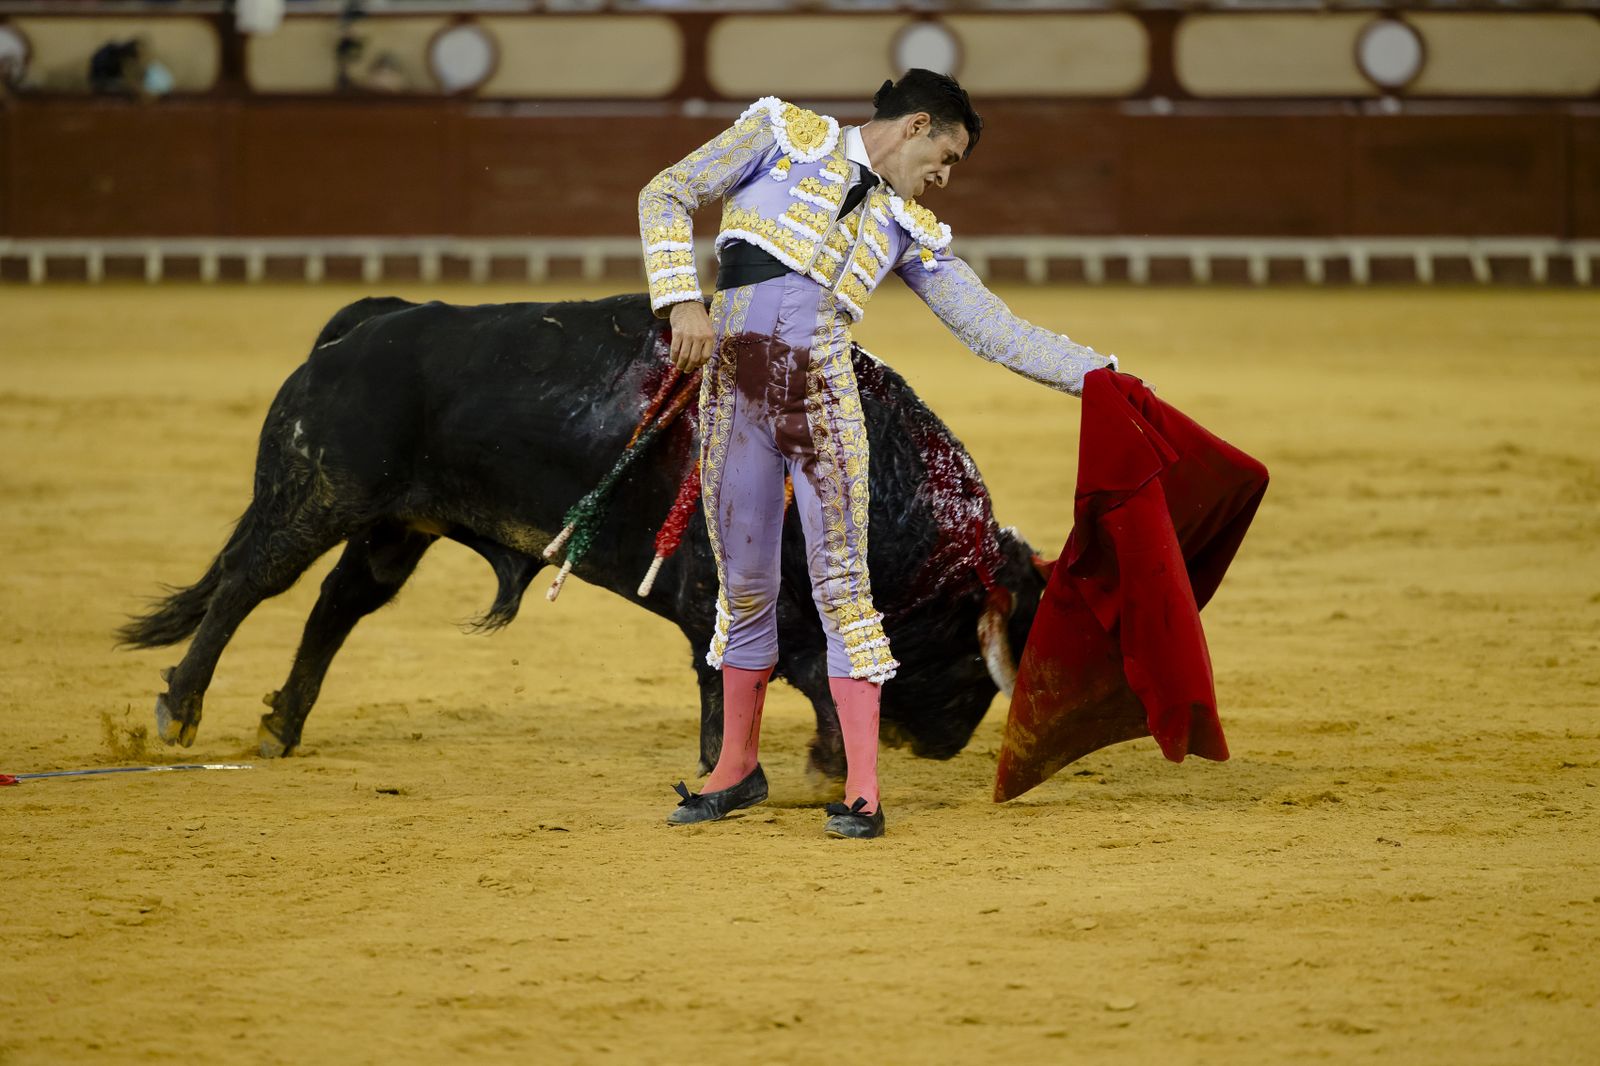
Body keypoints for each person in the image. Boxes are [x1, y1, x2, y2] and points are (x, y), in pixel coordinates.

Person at [638, 70, 1118, 840]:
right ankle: (736, 770)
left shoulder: (908, 225)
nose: (945, 178)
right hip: (733, 398)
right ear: (916, 125)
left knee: (841, 589)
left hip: (821, 404)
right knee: (746, 586)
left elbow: (991, 327)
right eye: (947, 157)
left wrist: (1103, 377)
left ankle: (863, 790)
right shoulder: (778, 134)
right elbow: (665, 192)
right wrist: (681, 299)